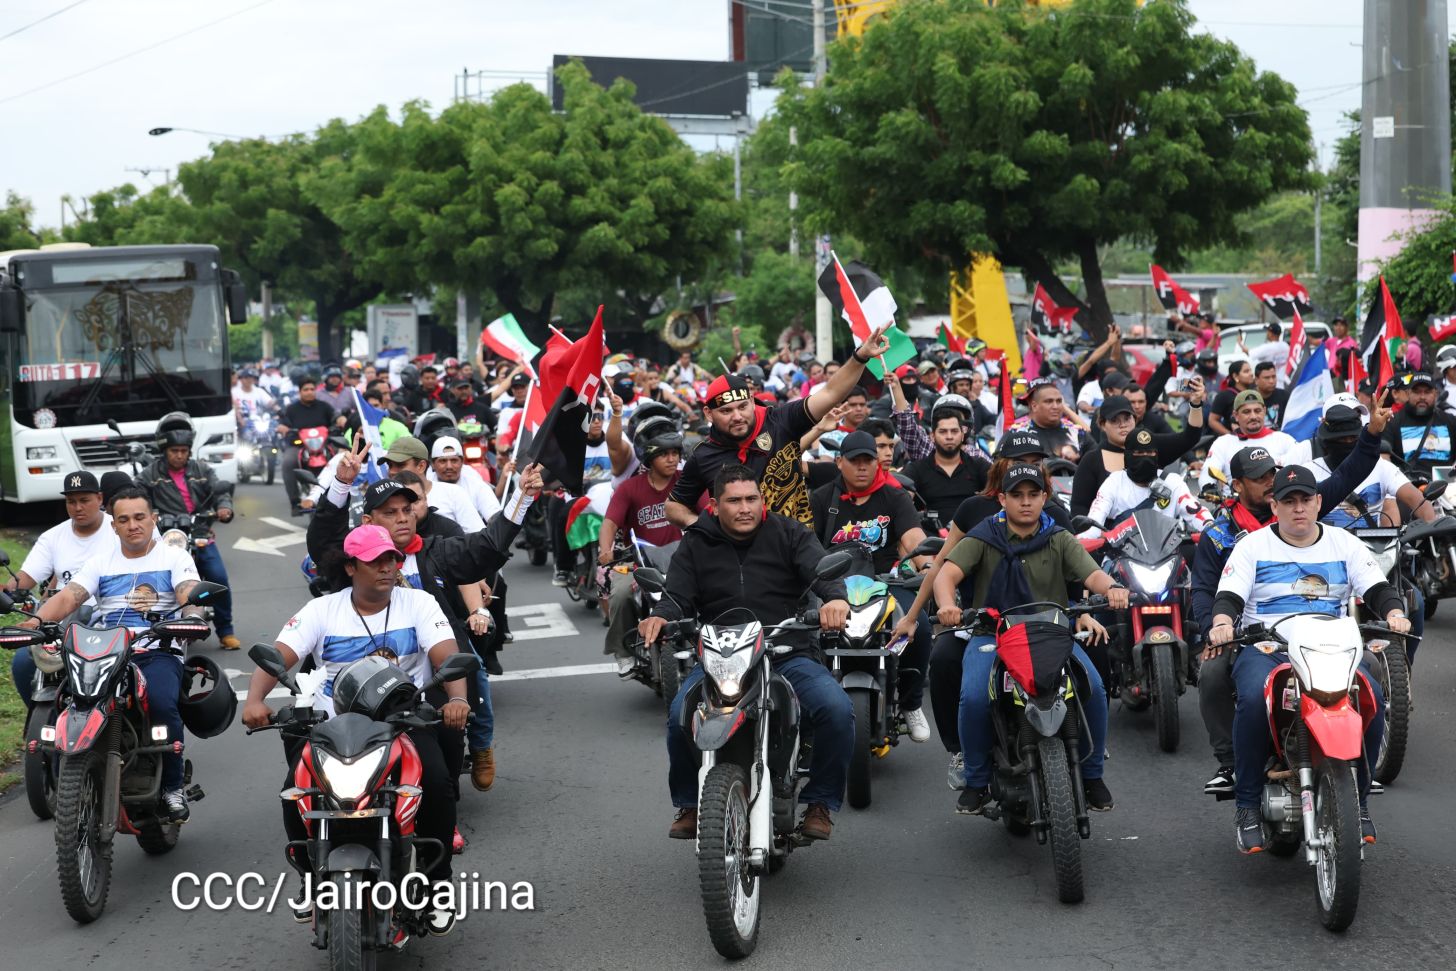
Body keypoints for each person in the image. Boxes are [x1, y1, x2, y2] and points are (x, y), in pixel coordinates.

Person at [241, 523, 469, 934]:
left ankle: (438, 887)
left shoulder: (418, 603)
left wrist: (457, 699)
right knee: (295, 790)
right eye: (374, 561)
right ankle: (311, 881)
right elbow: (279, 655)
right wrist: (254, 700)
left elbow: (445, 654)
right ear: (350, 567)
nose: (386, 568)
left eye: (391, 559)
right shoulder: (321, 610)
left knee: (436, 783)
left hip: (402, 723)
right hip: (333, 729)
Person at [309, 437, 546, 794]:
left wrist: (523, 496)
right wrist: (341, 484)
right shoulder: (353, 558)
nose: (403, 518)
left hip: (430, 669)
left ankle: (470, 762)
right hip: (362, 672)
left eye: (408, 509)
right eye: (391, 513)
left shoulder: (438, 549)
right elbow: (321, 541)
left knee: (457, 712)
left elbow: (488, 546)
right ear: (369, 521)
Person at [642, 464, 853, 841]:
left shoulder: (789, 533)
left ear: (763, 500)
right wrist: (659, 617)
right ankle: (691, 804)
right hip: (720, 657)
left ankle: (821, 802)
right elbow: (676, 595)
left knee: (836, 708)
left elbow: (823, 574)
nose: (745, 508)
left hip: (786, 651)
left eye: (752, 499)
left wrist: (835, 600)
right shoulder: (696, 542)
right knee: (679, 715)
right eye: (734, 500)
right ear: (714, 507)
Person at [1207, 465, 1408, 852]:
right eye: (1289, 501)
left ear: (1318, 503)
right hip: (1269, 647)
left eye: (1305, 499)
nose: (1298, 508)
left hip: (1331, 646)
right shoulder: (1252, 546)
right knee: (1251, 698)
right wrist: (1221, 623)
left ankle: (1359, 801)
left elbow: (1377, 587)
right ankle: (1247, 804)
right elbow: (1229, 596)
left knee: (1372, 695)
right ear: (1274, 505)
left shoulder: (1344, 543)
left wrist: (1395, 612)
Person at [931, 464, 1129, 813]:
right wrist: (947, 605)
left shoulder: (1058, 538)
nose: (1026, 503)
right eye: (1017, 495)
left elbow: (1093, 574)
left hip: (1051, 633)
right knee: (974, 696)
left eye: (1033, 495)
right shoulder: (983, 536)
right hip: (991, 634)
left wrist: (1112, 588)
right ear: (1002, 499)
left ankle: (1093, 775)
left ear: (1044, 498)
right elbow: (946, 574)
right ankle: (976, 781)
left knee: (1095, 689)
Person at [26, 486, 203, 820]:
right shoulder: (100, 561)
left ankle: (172, 787)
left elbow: (188, 592)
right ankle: (64, 771)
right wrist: (34, 623)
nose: (132, 525)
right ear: (114, 526)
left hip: (156, 650)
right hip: (104, 654)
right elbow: (70, 597)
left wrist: (193, 616)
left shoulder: (174, 556)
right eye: (123, 519)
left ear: (154, 519)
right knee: (67, 699)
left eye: (139, 517)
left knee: (163, 702)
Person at [665, 326, 894, 529]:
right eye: (726, 411)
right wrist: (700, 526)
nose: (737, 416)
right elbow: (674, 505)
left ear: (752, 401)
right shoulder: (704, 455)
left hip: (795, 546)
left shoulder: (781, 419)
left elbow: (831, 393)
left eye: (743, 407)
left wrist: (861, 356)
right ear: (708, 414)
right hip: (737, 559)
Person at [810, 430, 934, 742]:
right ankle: (807, 704)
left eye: (868, 460)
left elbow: (912, 537)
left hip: (884, 583)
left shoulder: (894, 497)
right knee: (803, 633)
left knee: (918, 626)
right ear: (840, 462)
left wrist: (927, 564)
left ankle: (910, 702)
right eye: (855, 461)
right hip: (832, 586)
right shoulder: (823, 497)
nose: (862, 467)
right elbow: (805, 546)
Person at [5, 471, 113, 704]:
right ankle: (36, 722)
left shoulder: (120, 529)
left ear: (100, 498)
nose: (77, 508)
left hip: (109, 621)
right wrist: (6, 590)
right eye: (71, 502)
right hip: (62, 622)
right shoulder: (53, 537)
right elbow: (25, 578)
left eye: (84, 500)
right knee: (23, 662)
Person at [135, 414, 239, 649]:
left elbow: (220, 491)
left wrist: (224, 507)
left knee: (219, 578)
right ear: (165, 450)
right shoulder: (150, 474)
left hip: (200, 533)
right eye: (174, 451)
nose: (179, 455)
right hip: (165, 537)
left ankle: (226, 631)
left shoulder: (202, 468)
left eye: (183, 450)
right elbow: (136, 495)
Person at [600, 421, 684, 675]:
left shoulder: (686, 482)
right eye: (664, 454)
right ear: (649, 457)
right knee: (621, 593)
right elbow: (610, 523)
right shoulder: (629, 488)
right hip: (639, 565)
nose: (672, 459)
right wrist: (606, 550)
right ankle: (623, 652)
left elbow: (707, 512)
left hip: (682, 562)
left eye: (675, 453)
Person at [1069, 387, 1205, 518]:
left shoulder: (1152, 446)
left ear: (1135, 419)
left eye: (1127, 418)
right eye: (1114, 420)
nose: (1122, 425)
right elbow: (1079, 508)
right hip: (1110, 536)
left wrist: (1196, 404)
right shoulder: (1092, 460)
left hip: (1157, 533)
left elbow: (1190, 437)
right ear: (1103, 425)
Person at [1079, 426, 1210, 537]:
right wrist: (1085, 538)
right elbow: (1095, 520)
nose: (1145, 458)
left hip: (1167, 556)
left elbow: (1197, 512)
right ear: (1127, 456)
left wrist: (1213, 529)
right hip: (1120, 556)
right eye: (1138, 453)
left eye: (1150, 453)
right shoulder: (1113, 482)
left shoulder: (1172, 482)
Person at [904, 405, 990, 525]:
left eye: (954, 431)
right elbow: (900, 500)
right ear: (932, 436)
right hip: (928, 539)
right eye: (943, 431)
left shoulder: (978, 465)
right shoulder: (917, 469)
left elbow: (1001, 492)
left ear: (962, 435)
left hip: (974, 537)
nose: (949, 436)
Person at [378, 436, 484, 533]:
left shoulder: (454, 493)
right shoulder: (382, 498)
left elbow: (476, 538)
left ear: (421, 466)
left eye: (400, 465)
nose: (392, 471)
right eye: (390, 465)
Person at [1199, 390, 1300, 490]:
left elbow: (1302, 466)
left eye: (1257, 411)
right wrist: (1208, 487)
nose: (1253, 416)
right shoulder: (1223, 443)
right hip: (1233, 503)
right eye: (1246, 412)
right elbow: (1208, 471)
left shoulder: (1284, 439)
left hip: (1277, 501)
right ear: (1236, 416)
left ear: (1264, 411)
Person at [277, 377, 339, 515]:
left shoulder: (325, 407)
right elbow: (283, 423)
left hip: (324, 445)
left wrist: (339, 421)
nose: (309, 392)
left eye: (312, 389)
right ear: (300, 392)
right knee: (288, 462)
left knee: (340, 459)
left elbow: (335, 418)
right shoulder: (291, 409)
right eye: (306, 390)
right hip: (299, 445)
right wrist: (283, 428)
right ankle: (294, 502)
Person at [1383, 371, 1456, 478]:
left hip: (1447, 489)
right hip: (1407, 490)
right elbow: (1384, 458)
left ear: (1435, 394)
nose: (1422, 397)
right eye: (1417, 392)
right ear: (1408, 393)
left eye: (1427, 392)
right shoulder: (1393, 422)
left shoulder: (1450, 421)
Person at [1010, 379, 1088, 460]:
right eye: (1048, 401)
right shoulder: (1016, 432)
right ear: (1034, 405)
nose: (1055, 406)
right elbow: (1001, 465)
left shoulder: (1076, 432)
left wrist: (1077, 457)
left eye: (1058, 401)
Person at [430, 436, 502, 522]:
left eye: (454, 460)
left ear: (462, 462)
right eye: (443, 461)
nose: (449, 466)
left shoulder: (476, 484)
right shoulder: (424, 488)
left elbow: (494, 516)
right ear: (433, 464)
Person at [1209, 360, 1256, 437]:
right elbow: (1212, 421)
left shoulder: (1254, 392)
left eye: (1250, 370)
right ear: (1235, 376)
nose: (1251, 374)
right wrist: (1231, 435)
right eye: (1246, 371)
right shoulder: (1224, 396)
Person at [1251, 361, 1288, 426]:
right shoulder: (1248, 398)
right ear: (1256, 380)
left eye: (1273, 377)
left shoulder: (1284, 395)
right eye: (1267, 378)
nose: (1271, 381)